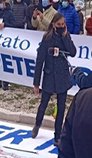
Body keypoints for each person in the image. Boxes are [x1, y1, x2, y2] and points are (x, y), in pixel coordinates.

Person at [32, 13, 77, 146]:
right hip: (49, 76)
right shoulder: (47, 38)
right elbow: (40, 61)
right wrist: (36, 83)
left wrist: (66, 37)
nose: (61, 27)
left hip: (62, 76)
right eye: (59, 25)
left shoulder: (65, 37)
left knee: (61, 108)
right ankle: (37, 124)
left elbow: (73, 52)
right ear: (53, 25)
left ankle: (57, 136)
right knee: (43, 104)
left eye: (63, 25)